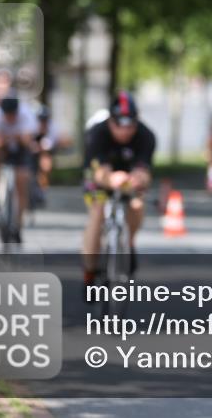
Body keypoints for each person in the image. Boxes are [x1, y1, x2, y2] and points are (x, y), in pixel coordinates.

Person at [82, 91, 156, 288]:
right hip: (101, 177)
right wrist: (111, 179)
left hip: (129, 178)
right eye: (119, 125)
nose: (124, 131)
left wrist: (138, 180)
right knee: (98, 211)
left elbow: (144, 171)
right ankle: (90, 270)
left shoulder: (146, 136)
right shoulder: (97, 134)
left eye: (130, 125)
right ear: (110, 121)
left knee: (138, 204)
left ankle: (128, 242)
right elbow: (98, 172)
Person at [0, 92, 38, 243]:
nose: (10, 119)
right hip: (3, 148)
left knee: (22, 182)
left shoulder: (26, 115)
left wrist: (15, 138)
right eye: (7, 115)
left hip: (21, 150)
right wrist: (8, 139)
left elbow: (27, 140)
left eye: (13, 115)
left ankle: (17, 226)